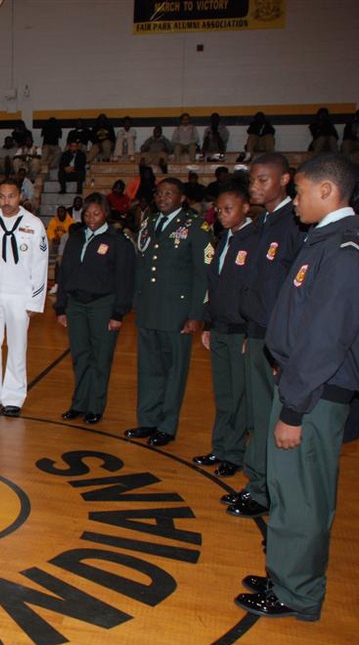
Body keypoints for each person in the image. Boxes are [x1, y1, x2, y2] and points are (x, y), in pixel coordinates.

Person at [235, 152, 359, 621]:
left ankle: (297, 593)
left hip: (315, 396)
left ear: (327, 191)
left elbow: (325, 339)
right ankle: (286, 572)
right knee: (288, 488)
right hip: (302, 385)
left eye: (299, 191)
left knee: (302, 496)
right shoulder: (324, 242)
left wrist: (294, 409)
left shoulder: (343, 252)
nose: (295, 200)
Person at [226, 153, 304, 519]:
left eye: (263, 180)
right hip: (258, 332)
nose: (255, 187)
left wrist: (282, 343)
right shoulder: (265, 223)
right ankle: (257, 483)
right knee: (259, 415)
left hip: (278, 338)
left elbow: (295, 291)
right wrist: (251, 330)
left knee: (273, 418)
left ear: (285, 180)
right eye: (253, 181)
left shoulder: (294, 224)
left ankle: (267, 491)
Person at [125, 178, 213, 447]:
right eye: (160, 193)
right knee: (149, 368)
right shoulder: (149, 222)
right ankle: (148, 420)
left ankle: (167, 425)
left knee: (174, 371)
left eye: (169, 193)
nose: (163, 197)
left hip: (178, 312)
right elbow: (141, 265)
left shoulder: (196, 226)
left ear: (182, 198)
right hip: (150, 308)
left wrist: (197, 313)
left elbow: (203, 274)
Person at [192, 180, 259, 478]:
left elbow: (256, 290)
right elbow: (215, 286)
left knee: (240, 395)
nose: (221, 214)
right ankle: (220, 447)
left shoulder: (256, 240)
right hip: (219, 327)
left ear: (246, 207)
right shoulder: (224, 240)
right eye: (218, 209)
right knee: (224, 394)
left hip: (241, 330)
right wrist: (208, 323)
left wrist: (252, 330)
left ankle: (235, 452)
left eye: (228, 209)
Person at [54, 193, 135, 424]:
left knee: (100, 358)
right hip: (76, 305)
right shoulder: (76, 238)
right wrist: (61, 307)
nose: (91, 218)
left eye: (96, 213)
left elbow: (125, 279)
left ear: (106, 214)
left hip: (103, 305)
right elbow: (65, 272)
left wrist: (118, 312)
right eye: (87, 213)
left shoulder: (118, 241)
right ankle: (79, 403)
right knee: (80, 356)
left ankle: (96, 406)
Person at [0, 180, 49, 417]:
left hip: (20, 295)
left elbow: (40, 265)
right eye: (2, 197)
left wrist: (35, 301)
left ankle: (13, 396)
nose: (6, 201)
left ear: (20, 196)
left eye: (11, 196)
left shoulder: (34, 225)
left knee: (17, 346)